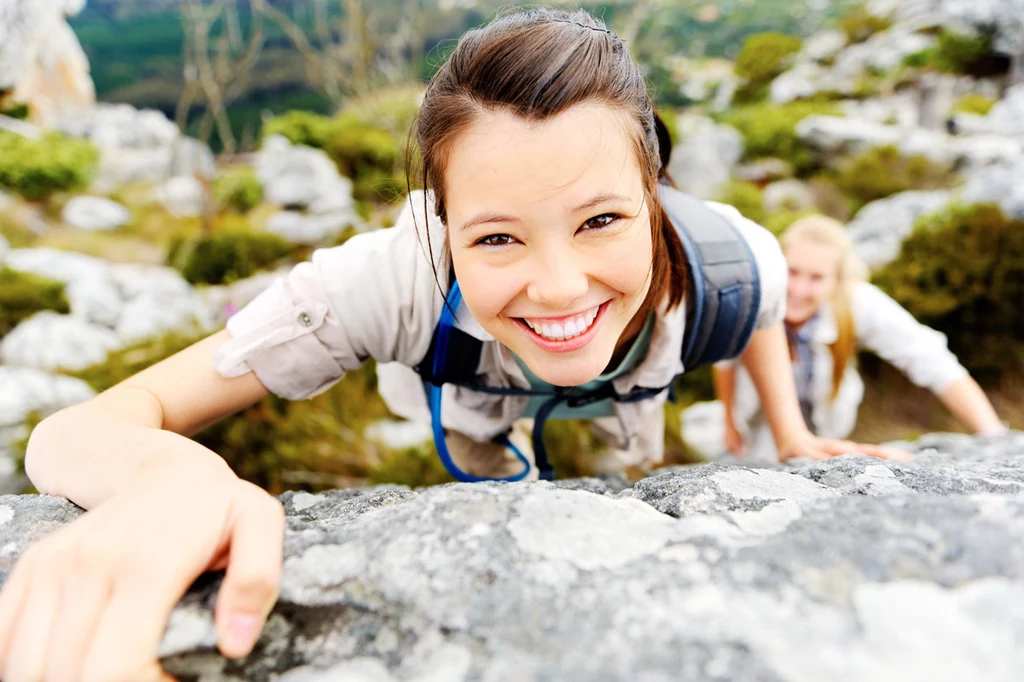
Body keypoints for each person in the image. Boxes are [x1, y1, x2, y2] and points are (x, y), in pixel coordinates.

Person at [0, 10, 907, 680]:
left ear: (657, 193)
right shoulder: (387, 282)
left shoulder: (732, 262)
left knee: (631, 459)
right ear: (441, 223)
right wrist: (176, 482)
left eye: (600, 220)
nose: (556, 284)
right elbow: (71, 432)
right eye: (497, 237)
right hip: (475, 392)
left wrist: (789, 437)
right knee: (492, 470)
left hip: (636, 386)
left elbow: (755, 321)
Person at [714, 214, 1007, 461]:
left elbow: (931, 360)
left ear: (838, 280)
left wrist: (992, 435)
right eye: (792, 272)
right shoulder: (757, 297)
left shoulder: (858, 303)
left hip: (827, 424)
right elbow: (725, 362)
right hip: (756, 426)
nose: (799, 290)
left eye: (817, 278)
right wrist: (728, 420)